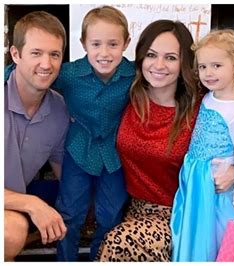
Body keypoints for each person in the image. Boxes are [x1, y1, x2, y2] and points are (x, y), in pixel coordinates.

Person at [96, 20, 234, 262]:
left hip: (184, 215)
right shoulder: (128, 94)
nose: (159, 65)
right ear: (140, 57)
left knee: (119, 241)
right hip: (133, 211)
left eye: (171, 58)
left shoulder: (203, 106)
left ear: (183, 63)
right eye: (151, 55)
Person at [52, 6, 133, 261]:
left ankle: (101, 258)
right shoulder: (69, 74)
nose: (104, 53)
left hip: (114, 154)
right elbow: (32, 76)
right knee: (70, 213)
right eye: (96, 44)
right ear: (84, 43)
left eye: (113, 44)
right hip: (79, 149)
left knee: (110, 215)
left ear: (126, 43)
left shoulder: (134, 75)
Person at [171, 29, 234, 262]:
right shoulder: (208, 97)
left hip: (218, 190)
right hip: (196, 184)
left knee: (221, 240)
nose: (208, 72)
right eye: (203, 67)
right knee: (197, 235)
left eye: (216, 65)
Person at [4, 11, 69, 261]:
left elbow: (64, 173)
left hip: (11, 210)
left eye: (54, 54)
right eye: (36, 53)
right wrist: (33, 204)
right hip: (17, 205)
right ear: (16, 54)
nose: (46, 64)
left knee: (12, 230)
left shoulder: (60, 110)